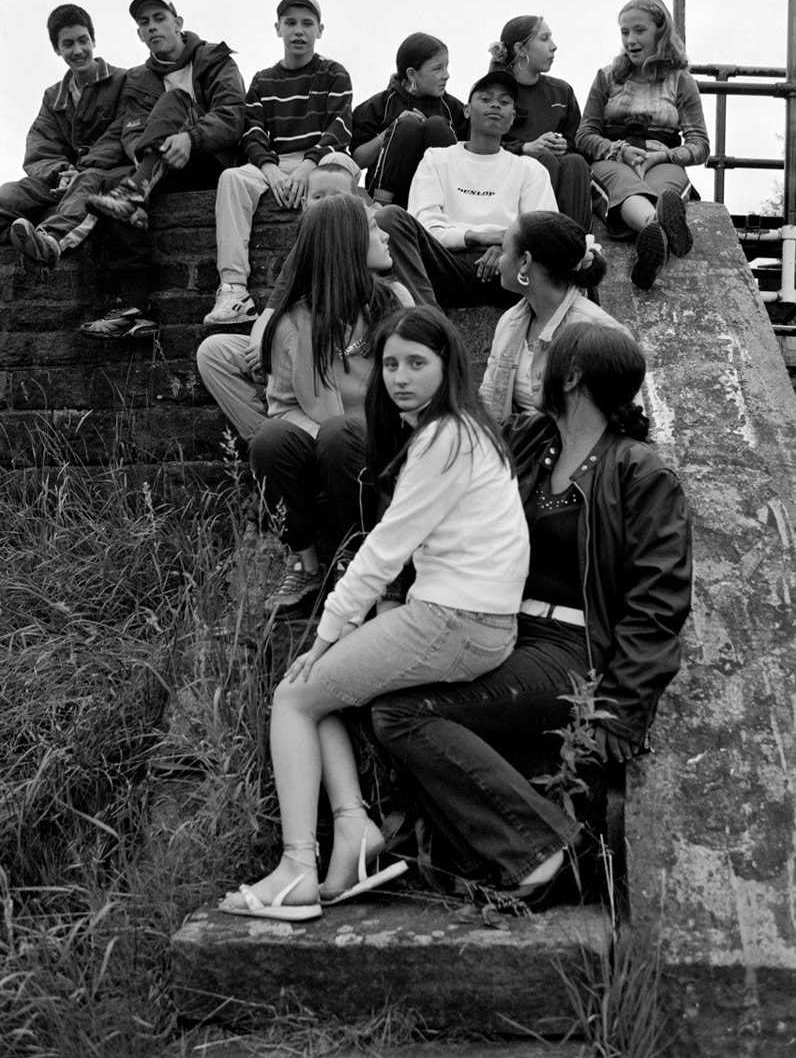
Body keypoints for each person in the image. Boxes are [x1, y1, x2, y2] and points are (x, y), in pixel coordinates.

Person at [219, 305, 530, 920]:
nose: (400, 377)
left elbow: (384, 549)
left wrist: (328, 630)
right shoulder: (458, 430)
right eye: (390, 364)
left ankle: (295, 870)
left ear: (448, 367)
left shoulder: (445, 438)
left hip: (458, 621)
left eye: (417, 363)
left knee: (292, 695)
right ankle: (353, 831)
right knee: (317, 693)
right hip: (461, 616)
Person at [371, 321, 692, 898]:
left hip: (571, 650)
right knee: (369, 693)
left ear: (570, 376)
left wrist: (621, 707)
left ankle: (543, 849)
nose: (532, 371)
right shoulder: (528, 442)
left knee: (401, 712)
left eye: (545, 360)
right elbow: (453, 508)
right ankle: (466, 849)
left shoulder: (640, 472)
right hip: (496, 630)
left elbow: (658, 603)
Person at [250, 193, 413, 611]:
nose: (385, 235)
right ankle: (306, 565)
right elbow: (283, 407)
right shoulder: (292, 323)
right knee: (271, 438)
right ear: (347, 243)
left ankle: (360, 561)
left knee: (343, 433)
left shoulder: (395, 305)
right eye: (374, 228)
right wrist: (325, 438)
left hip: (389, 450)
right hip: (330, 455)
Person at [83, 0, 246, 336]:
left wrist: (190, 138)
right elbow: (131, 132)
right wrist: (148, 156)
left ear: (178, 22)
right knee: (114, 183)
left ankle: (137, 189)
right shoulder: (139, 79)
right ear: (140, 35)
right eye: (144, 23)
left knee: (175, 99)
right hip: (163, 168)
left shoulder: (214, 59)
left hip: (212, 163)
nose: (152, 26)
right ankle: (138, 310)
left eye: (159, 18)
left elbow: (232, 117)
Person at [197, 157, 377, 444]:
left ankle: (320, 442)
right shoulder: (302, 254)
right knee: (213, 352)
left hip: (338, 350)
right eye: (318, 197)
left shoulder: (368, 243)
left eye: (336, 197)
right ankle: (276, 440)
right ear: (305, 205)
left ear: (356, 204)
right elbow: (273, 308)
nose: (326, 204)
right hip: (294, 346)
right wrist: (263, 341)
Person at [203, 0, 353, 326]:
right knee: (232, 178)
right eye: (290, 23)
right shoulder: (263, 80)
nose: (299, 31)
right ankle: (234, 290)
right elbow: (252, 132)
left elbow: (340, 127)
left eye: (307, 24)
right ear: (278, 28)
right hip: (278, 162)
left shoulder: (333, 73)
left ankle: (337, 283)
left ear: (320, 30)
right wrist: (270, 170)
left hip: (324, 159)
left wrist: (307, 167)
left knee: (339, 176)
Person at [575, 0, 709, 291]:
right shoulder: (607, 77)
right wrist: (618, 149)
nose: (630, 40)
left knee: (665, 189)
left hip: (662, 158)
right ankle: (656, 227)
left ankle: (656, 230)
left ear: (660, 32)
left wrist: (665, 157)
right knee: (622, 184)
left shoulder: (680, 80)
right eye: (624, 32)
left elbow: (700, 145)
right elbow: (584, 135)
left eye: (639, 31)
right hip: (614, 157)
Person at [401, 70, 558, 307]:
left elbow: (543, 235)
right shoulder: (437, 159)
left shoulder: (529, 169)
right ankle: (429, 324)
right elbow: (425, 227)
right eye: (485, 99)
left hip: (506, 270)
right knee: (390, 218)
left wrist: (505, 248)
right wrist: (476, 237)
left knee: (574, 259)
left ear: (513, 116)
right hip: (448, 261)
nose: (495, 105)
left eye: (504, 102)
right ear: (466, 110)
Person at [1, 4, 130, 280]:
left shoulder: (122, 81)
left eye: (83, 40)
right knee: (8, 194)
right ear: (57, 50)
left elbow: (120, 135)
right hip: (60, 182)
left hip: (102, 175)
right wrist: (61, 173)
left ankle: (47, 244)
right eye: (68, 44)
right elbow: (39, 147)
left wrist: (80, 170)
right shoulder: (53, 96)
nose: (78, 50)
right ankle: (22, 240)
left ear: (93, 40)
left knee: (89, 180)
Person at [480, 211, 631, 422]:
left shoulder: (601, 332)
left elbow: (625, 422)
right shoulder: (510, 321)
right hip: (517, 448)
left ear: (525, 261)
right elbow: (488, 404)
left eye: (504, 251)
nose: (499, 261)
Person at [487, 15, 592, 233]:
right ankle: (537, 239)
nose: (553, 46)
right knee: (543, 159)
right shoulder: (494, 92)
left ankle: (577, 243)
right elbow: (479, 144)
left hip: (558, 169)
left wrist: (564, 145)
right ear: (520, 49)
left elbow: (577, 140)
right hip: (502, 177)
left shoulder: (561, 91)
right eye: (544, 39)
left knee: (575, 162)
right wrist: (525, 148)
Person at [352, 33, 467, 209]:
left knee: (437, 125)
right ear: (412, 74)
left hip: (438, 199)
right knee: (407, 125)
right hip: (393, 199)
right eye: (437, 69)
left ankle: (446, 209)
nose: (446, 75)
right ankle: (381, 208)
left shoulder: (454, 108)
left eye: (447, 66)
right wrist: (391, 129)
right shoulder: (380, 105)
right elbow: (358, 161)